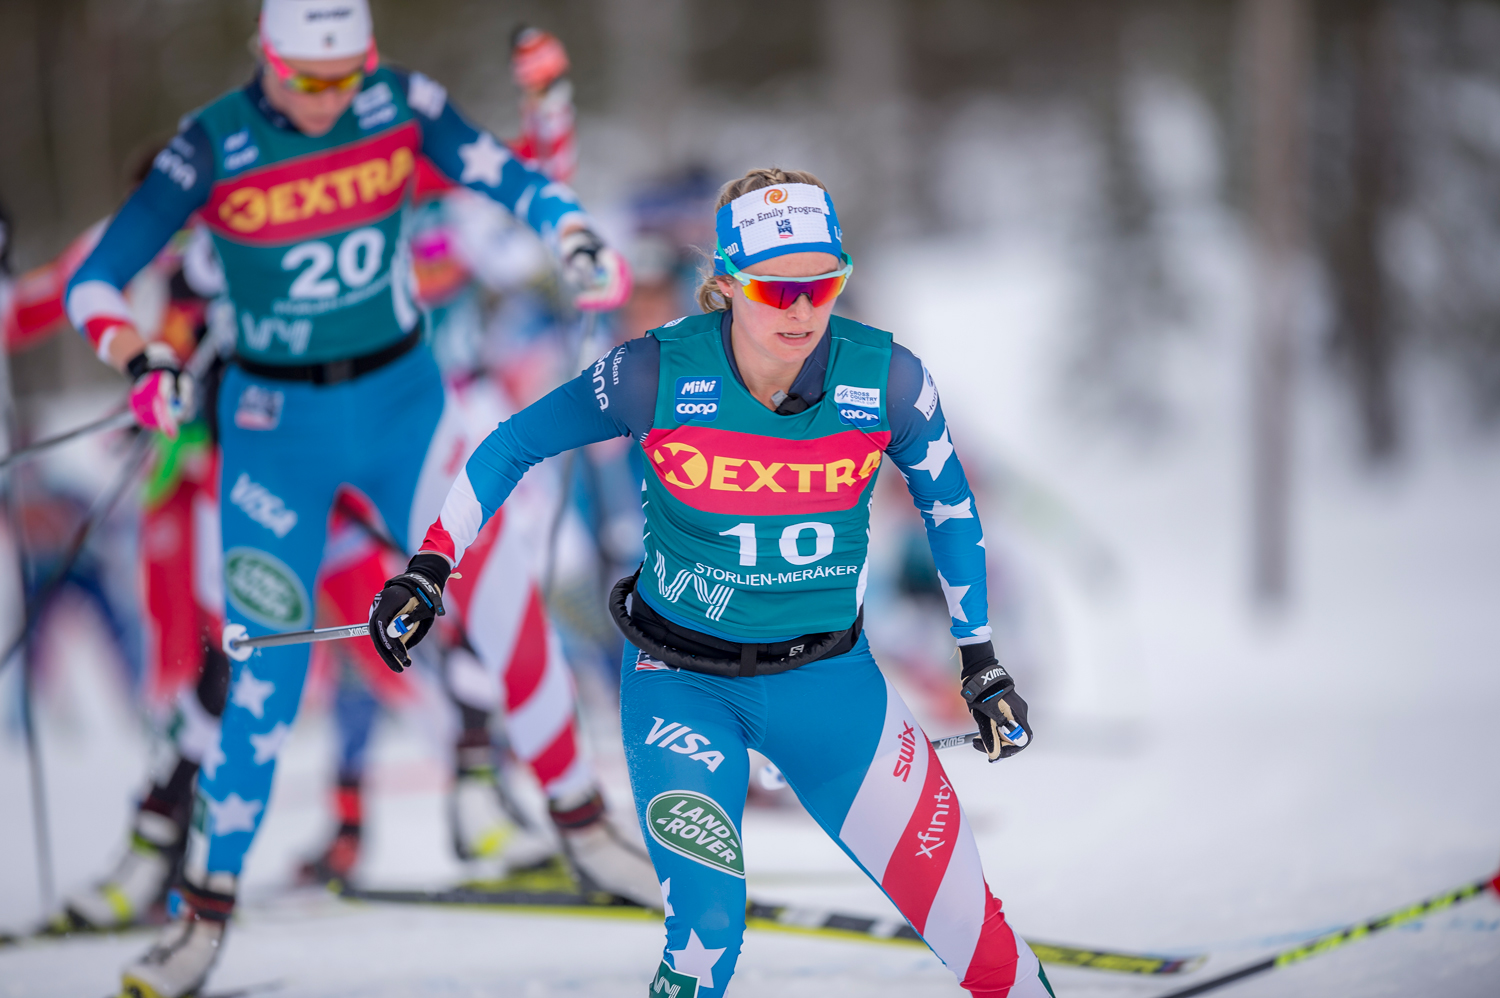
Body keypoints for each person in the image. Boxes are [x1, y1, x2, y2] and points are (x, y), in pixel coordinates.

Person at [64, 2, 640, 995]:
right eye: (307, 80)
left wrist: (575, 233)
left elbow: (512, 181)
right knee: (265, 679)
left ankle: (582, 825)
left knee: (496, 572)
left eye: (347, 76)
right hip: (272, 435)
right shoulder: (211, 142)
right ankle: (200, 915)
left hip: (401, 406)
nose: (331, 100)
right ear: (267, 58)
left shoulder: (399, 102)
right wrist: (141, 356)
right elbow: (98, 281)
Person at [369, 167, 1054, 998]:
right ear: (727, 284)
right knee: (706, 939)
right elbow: (511, 443)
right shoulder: (654, 373)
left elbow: (949, 507)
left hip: (832, 685)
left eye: (822, 283)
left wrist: (980, 660)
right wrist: (431, 566)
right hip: (681, 689)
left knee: (983, 944)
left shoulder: (889, 380)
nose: (801, 310)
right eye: (775, 288)